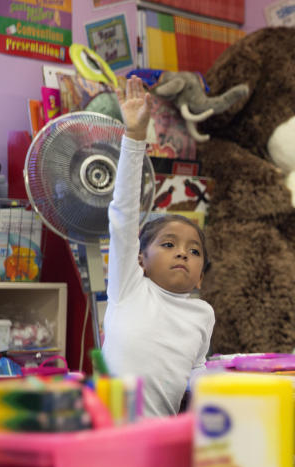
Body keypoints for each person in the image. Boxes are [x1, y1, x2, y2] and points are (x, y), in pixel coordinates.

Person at [101, 76, 215, 417]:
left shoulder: (203, 315)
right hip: (109, 437)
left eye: (195, 252)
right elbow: (123, 216)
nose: (183, 252)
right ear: (140, 260)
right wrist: (135, 137)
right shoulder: (128, 287)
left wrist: (208, 385)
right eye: (169, 244)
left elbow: (195, 370)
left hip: (161, 441)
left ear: (200, 279)